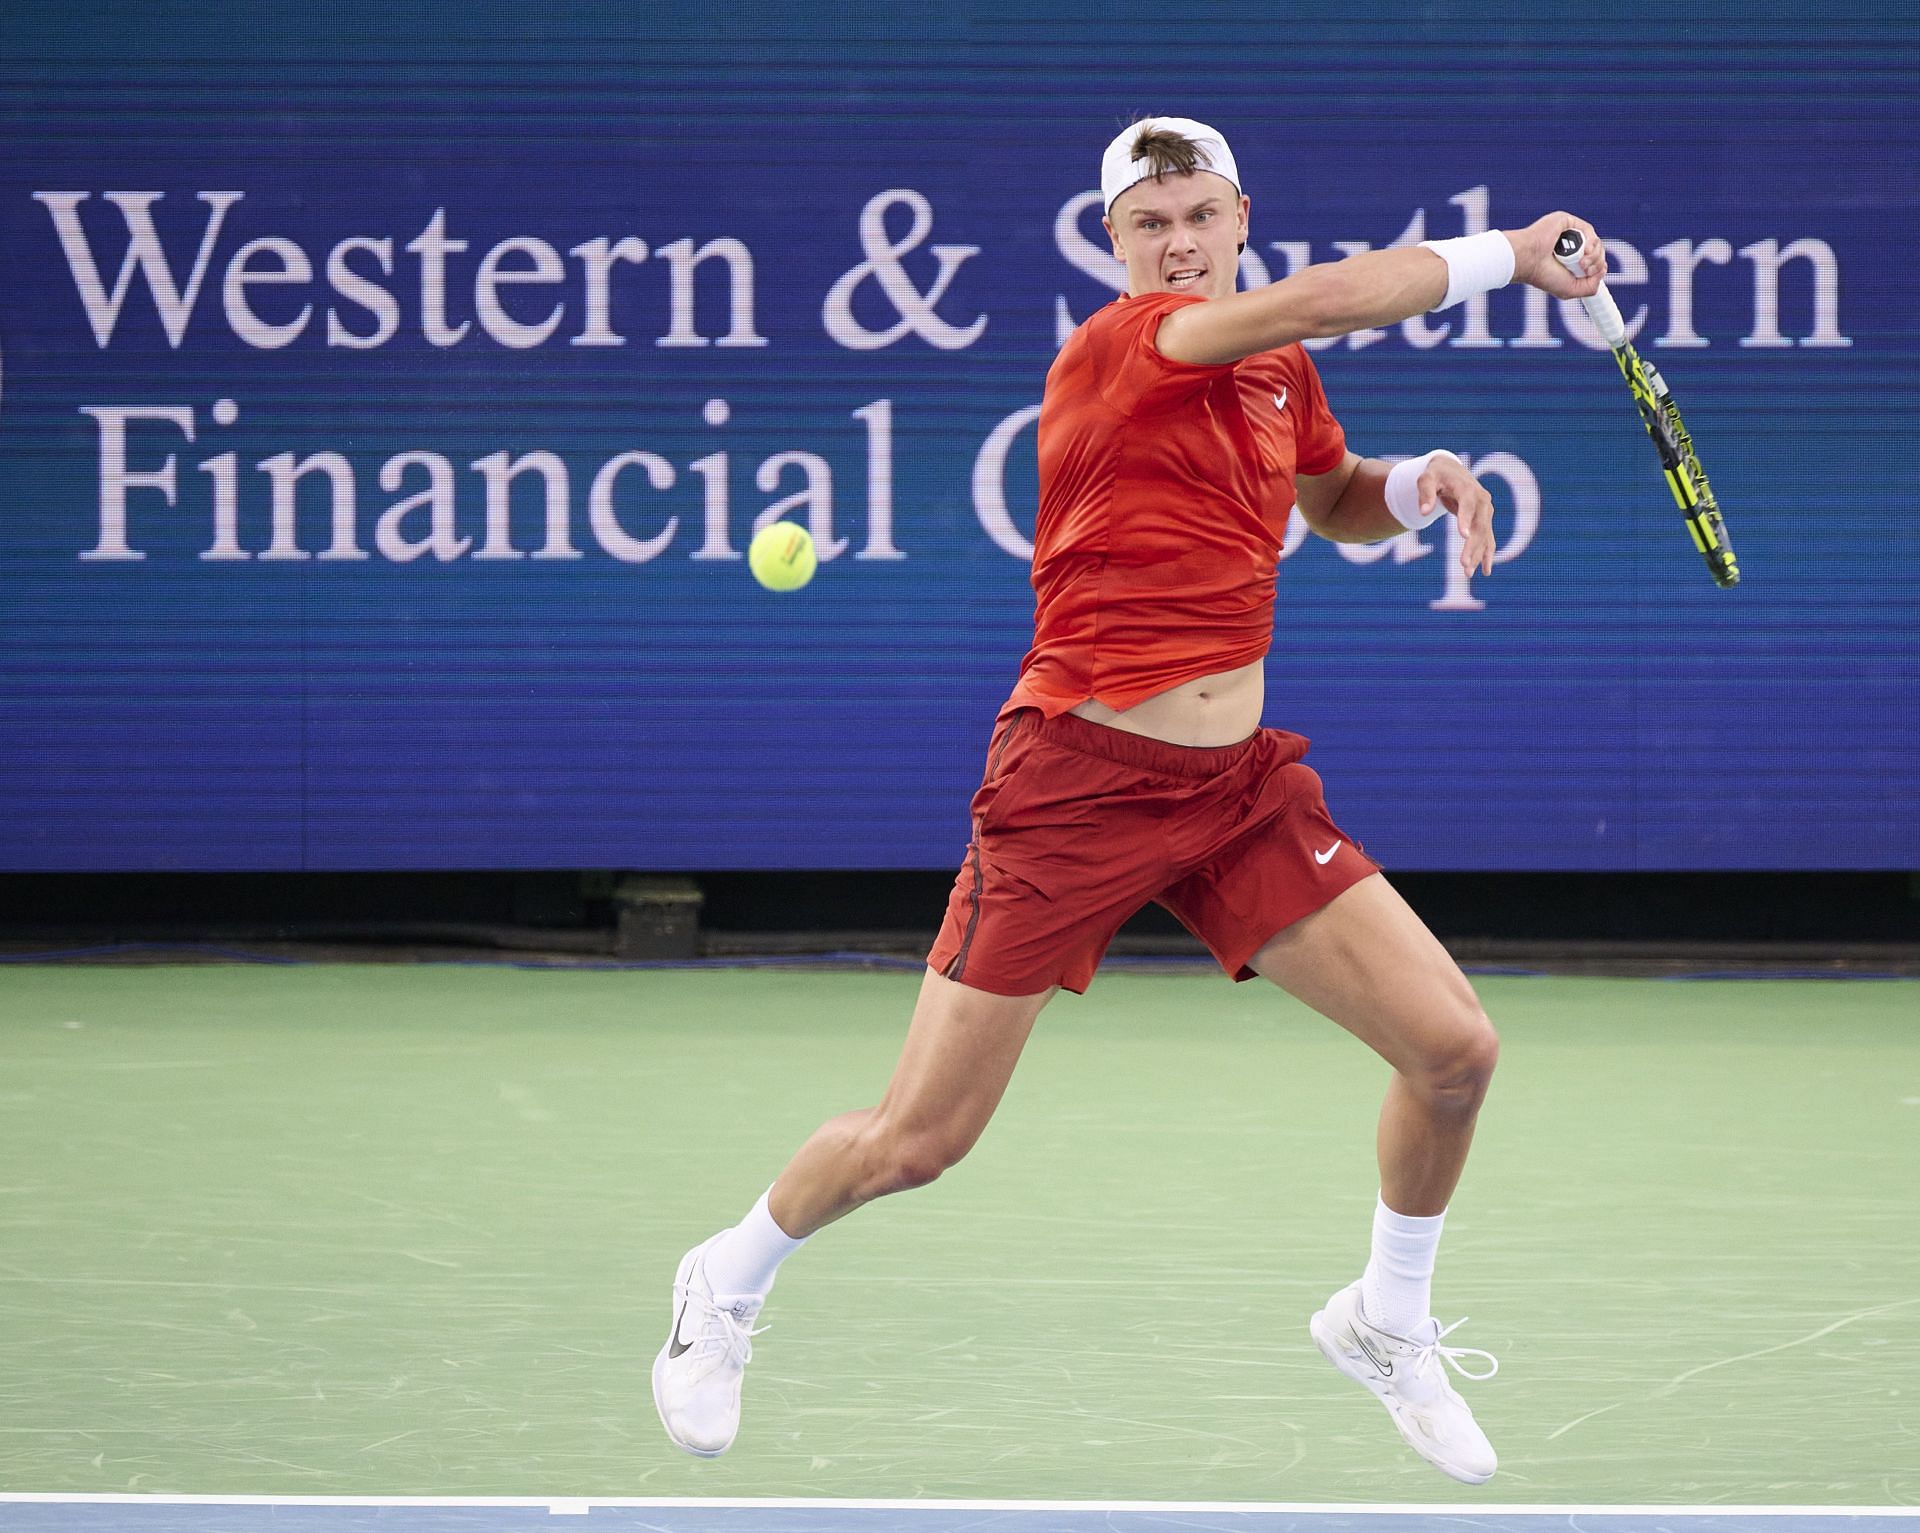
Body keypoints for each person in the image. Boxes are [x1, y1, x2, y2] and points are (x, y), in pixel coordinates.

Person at [652, 115, 1606, 1485]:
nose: (1177, 242)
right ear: (1115, 244)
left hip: (1234, 792)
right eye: (1148, 223)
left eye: (1199, 216)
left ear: (1237, 217)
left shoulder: (1270, 368)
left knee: (1454, 1052)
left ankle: (1385, 1320)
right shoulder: (1122, 347)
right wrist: (1506, 255)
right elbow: (1332, 298)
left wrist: (1414, 481)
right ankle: (725, 1278)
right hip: (1072, 787)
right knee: (919, 1141)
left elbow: (1329, 495)